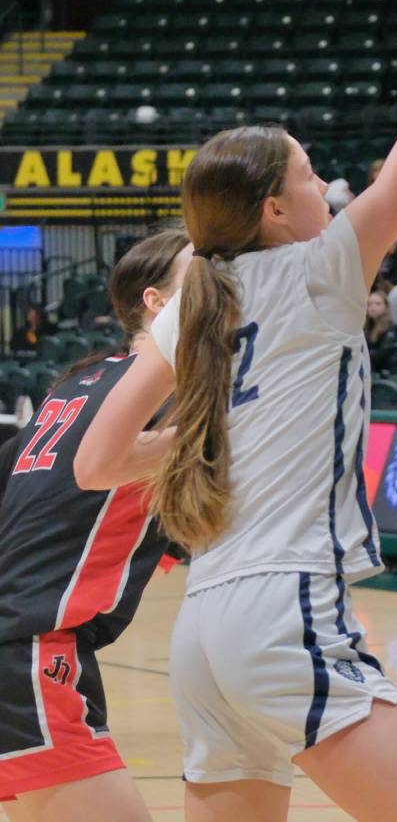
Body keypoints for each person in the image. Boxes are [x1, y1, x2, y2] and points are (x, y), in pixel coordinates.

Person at [74, 0, 397, 822]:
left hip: (202, 627)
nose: (330, 191)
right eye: (314, 177)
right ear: (277, 208)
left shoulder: (193, 295)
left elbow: (97, 461)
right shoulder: (320, 267)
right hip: (285, 610)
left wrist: (188, 446)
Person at [0, 227, 192, 822]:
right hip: (29, 650)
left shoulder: (80, 383)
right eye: (208, 275)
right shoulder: (160, 388)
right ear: (159, 304)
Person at [364, 290, 396, 372]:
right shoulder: (364, 326)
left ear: (386, 307)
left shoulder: (391, 327)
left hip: (381, 370)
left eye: (378, 304)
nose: (373, 307)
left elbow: (382, 355)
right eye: (369, 304)